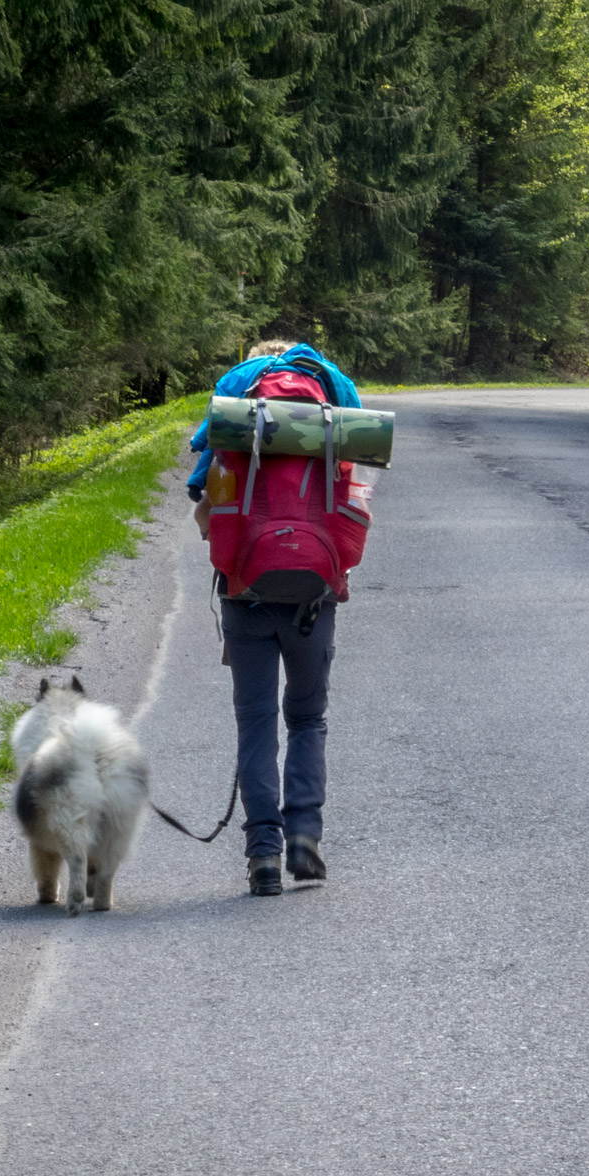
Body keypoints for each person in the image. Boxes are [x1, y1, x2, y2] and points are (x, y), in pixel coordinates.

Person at [188, 339, 370, 896]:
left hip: (246, 592)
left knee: (258, 721)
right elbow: (354, 504)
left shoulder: (237, 404)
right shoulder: (333, 405)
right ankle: (305, 839)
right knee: (308, 719)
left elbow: (203, 511)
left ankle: (262, 854)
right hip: (314, 596)